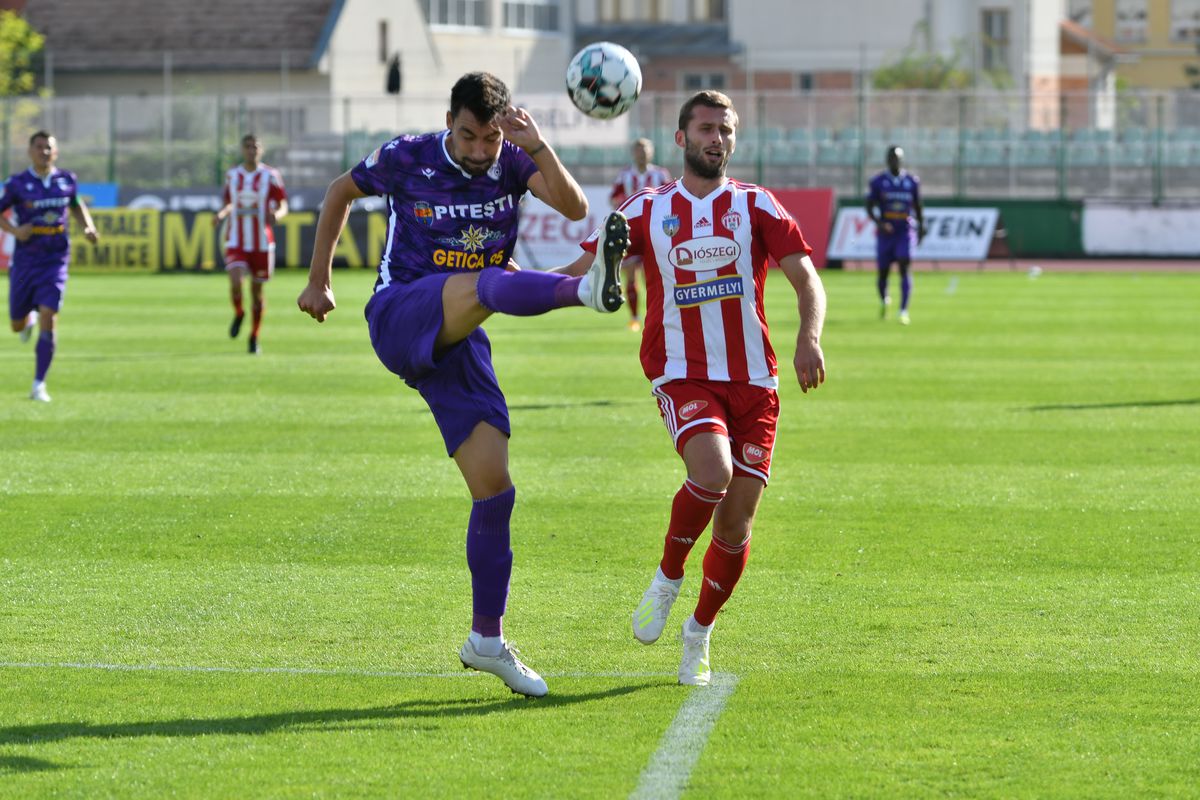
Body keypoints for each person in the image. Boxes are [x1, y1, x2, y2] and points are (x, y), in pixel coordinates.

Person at [296, 72, 629, 698]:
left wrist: (537, 147)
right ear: (449, 121)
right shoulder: (407, 156)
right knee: (488, 280)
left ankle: (486, 640)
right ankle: (583, 290)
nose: (479, 150)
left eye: (490, 138)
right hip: (401, 313)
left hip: (462, 332)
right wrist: (320, 280)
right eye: (469, 135)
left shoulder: (512, 160)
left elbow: (575, 208)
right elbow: (339, 192)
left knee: (494, 488)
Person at [559, 91, 827, 686]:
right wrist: (500, 291)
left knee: (735, 526)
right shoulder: (646, 209)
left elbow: (807, 279)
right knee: (712, 472)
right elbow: (579, 273)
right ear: (681, 138)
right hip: (682, 372)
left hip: (755, 382)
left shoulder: (756, 204)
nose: (717, 139)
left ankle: (699, 631)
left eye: (725, 130)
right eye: (706, 128)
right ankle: (668, 576)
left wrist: (809, 337)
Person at [1, 130, 99, 402]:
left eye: (49, 147)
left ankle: (38, 384)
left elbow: (76, 205)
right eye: (39, 147)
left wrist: (88, 227)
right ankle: (27, 320)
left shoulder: (66, 180)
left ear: (55, 152)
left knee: (49, 315)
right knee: (16, 325)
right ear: (30, 151)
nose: (44, 151)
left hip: (55, 261)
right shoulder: (17, 184)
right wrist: (15, 231)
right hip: (25, 263)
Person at [213, 133, 289, 354]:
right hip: (236, 239)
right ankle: (239, 312)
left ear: (261, 150)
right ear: (242, 150)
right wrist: (221, 214)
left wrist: (278, 215)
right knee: (236, 281)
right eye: (247, 146)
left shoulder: (271, 175)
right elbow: (229, 203)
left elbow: (283, 204)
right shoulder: (232, 175)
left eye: (255, 146)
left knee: (256, 292)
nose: (251, 150)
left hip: (262, 243)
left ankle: (254, 336)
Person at [609, 138, 672, 332]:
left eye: (645, 150)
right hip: (632, 231)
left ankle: (657, 315)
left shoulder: (660, 174)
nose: (642, 153)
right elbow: (613, 198)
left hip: (655, 231)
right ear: (633, 153)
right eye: (638, 150)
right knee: (630, 275)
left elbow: (671, 197)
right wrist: (622, 208)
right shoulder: (625, 175)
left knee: (654, 277)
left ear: (651, 152)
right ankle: (635, 318)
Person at [865, 145, 924, 325]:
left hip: (904, 230)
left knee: (905, 266)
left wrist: (922, 225)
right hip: (886, 234)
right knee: (883, 273)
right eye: (892, 158)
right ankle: (884, 300)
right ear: (887, 160)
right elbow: (869, 206)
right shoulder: (878, 182)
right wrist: (880, 223)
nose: (894, 161)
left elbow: (918, 206)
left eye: (897, 158)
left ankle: (903, 310)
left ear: (901, 160)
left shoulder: (911, 181)